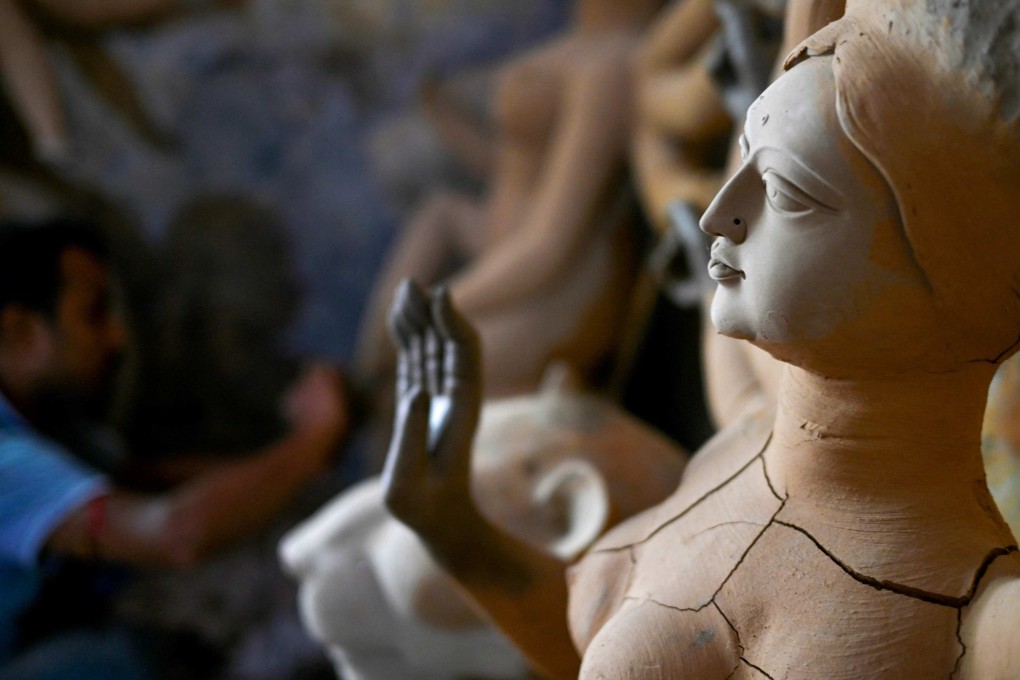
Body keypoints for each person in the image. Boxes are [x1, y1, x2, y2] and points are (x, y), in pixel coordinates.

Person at [379, 0, 1020, 676]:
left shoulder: (982, 622)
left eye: (788, 192)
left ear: (948, 273)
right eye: (749, 155)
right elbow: (607, 652)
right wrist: (452, 527)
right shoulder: (744, 430)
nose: (722, 212)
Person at [0, 217, 346, 676]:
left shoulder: (47, 419)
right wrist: (312, 442)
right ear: (20, 333)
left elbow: (147, 481)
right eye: (94, 313)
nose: (117, 337)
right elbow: (176, 534)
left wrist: (294, 465)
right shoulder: (8, 463)